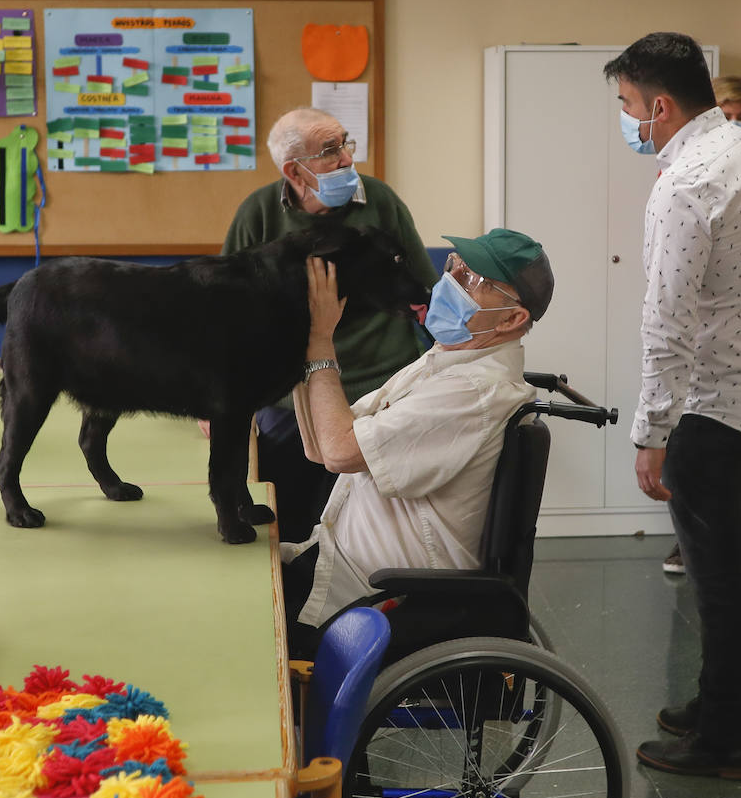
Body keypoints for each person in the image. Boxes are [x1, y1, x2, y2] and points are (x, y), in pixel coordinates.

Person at [605, 32, 741, 780]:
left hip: (712, 416)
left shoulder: (687, 184)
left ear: (659, 105)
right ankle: (715, 701)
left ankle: (728, 741)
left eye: (626, 105)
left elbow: (668, 321)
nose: (624, 119)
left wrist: (651, 432)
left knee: (716, 581)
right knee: (730, 569)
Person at [280, 228, 554, 660]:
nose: (450, 281)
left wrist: (319, 339)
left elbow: (337, 450)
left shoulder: (472, 390)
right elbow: (321, 446)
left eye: (472, 281)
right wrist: (299, 339)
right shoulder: (443, 360)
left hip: (381, 595)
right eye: (455, 267)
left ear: (511, 319)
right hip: (342, 566)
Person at [222, 107, 437, 544]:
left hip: (381, 390)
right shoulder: (258, 214)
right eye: (329, 150)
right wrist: (223, 401)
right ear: (293, 171)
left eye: (345, 144)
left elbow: (424, 292)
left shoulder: (380, 201)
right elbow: (226, 314)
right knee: (290, 529)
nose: (346, 159)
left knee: (373, 532)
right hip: (290, 398)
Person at [662, 72, 741, 580]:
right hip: (701, 352)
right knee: (700, 459)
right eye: (726, 116)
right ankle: (687, 545)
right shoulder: (687, 178)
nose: (735, 127)